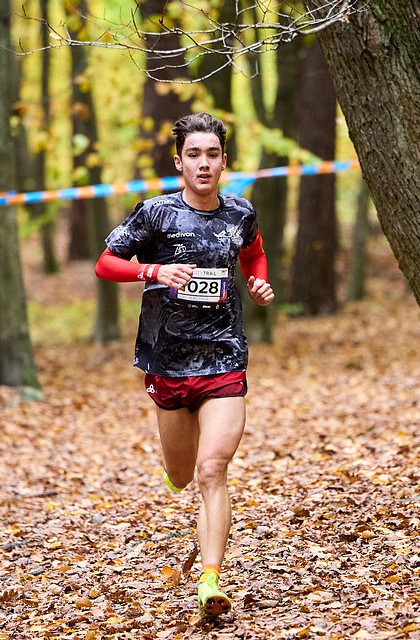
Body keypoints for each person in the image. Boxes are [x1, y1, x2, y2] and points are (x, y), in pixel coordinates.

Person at [94, 112, 274, 618]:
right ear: (179, 162)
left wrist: (258, 283)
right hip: (167, 362)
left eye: (212, 154)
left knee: (211, 469)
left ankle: (210, 582)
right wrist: (153, 269)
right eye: (193, 154)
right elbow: (105, 263)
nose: (203, 163)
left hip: (223, 358)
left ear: (223, 162)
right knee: (180, 472)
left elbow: (254, 256)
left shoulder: (240, 213)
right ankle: (179, 480)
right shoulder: (155, 214)